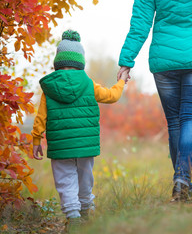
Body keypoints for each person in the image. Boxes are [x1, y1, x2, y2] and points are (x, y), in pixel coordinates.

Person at [117, 0, 192, 202]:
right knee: (190, 118)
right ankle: (182, 179)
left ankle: (182, 182)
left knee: (174, 123)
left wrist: (127, 60)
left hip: (165, 59)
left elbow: (140, 22)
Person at [31, 30, 129, 230]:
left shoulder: (49, 87)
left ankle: (73, 216)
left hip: (61, 147)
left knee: (65, 180)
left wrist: (35, 140)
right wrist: (121, 81)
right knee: (85, 178)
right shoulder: (88, 83)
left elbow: (41, 117)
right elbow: (112, 96)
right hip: (85, 146)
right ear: (80, 62)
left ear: (58, 63)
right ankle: (86, 210)